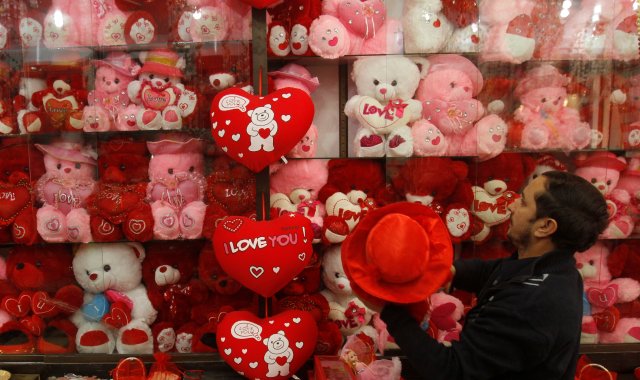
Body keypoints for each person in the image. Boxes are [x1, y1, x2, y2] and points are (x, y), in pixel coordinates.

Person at [380, 171, 609, 380]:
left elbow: (452, 370)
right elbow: (492, 271)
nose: (511, 206)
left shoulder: (531, 304)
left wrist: (388, 311)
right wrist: (446, 271)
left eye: (523, 202)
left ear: (545, 226)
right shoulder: (553, 265)